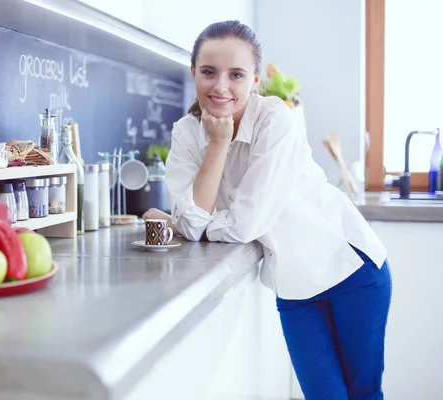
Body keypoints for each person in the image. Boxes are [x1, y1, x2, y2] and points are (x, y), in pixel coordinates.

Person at [153, 20, 393, 400]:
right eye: (209, 72)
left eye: (236, 74)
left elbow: (240, 224)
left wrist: (196, 222)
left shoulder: (275, 119)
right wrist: (217, 144)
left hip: (351, 269)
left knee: (363, 394)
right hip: (296, 287)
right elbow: (192, 223)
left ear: (255, 80)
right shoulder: (186, 132)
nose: (220, 86)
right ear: (194, 73)